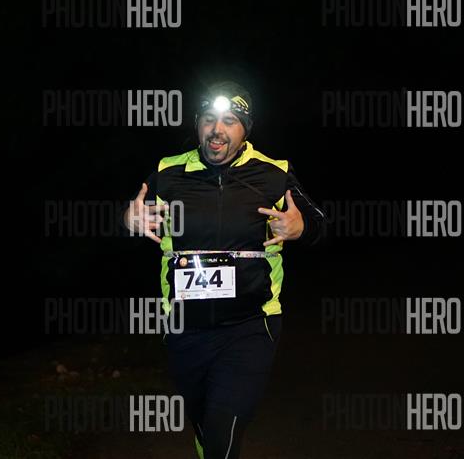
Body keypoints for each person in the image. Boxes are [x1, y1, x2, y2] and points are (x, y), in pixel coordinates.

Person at [123, 80, 325, 458]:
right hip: (185, 328)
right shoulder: (169, 172)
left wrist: (301, 227)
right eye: (209, 120)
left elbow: (317, 222)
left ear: (245, 130)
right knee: (204, 424)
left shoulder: (273, 174)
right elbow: (133, 218)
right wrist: (129, 221)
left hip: (250, 325)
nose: (217, 130)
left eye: (230, 121)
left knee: (222, 429)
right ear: (198, 124)